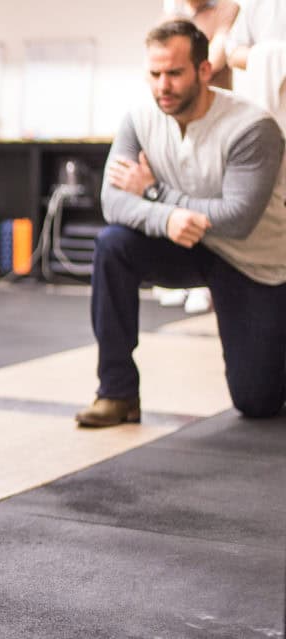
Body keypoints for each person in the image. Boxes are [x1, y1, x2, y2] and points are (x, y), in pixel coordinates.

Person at [75, 19, 286, 428]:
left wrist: (155, 194)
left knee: (257, 402)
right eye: (154, 74)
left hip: (253, 261)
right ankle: (116, 393)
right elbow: (113, 201)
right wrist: (167, 217)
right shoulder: (138, 120)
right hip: (186, 245)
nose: (163, 86)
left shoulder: (253, 127)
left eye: (174, 73)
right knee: (113, 245)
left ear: (204, 71)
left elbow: (237, 219)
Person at [154, 0, 240, 314]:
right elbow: (156, 60)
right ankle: (178, 278)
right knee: (174, 195)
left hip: (215, 122)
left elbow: (213, 62)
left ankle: (203, 283)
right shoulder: (170, 15)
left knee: (208, 199)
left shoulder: (226, 10)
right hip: (178, 122)